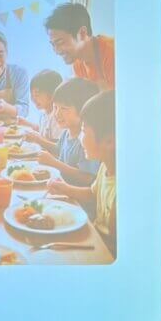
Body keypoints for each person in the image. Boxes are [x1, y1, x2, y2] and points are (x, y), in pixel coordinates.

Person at [48, 92, 117, 256]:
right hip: (93, 237)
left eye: (84, 131)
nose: (81, 138)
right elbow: (93, 193)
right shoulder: (105, 166)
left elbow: (112, 246)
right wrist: (65, 189)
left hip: (101, 250)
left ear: (109, 141)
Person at [26, 78, 100, 187]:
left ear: (83, 111)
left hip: (73, 195)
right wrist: (38, 140)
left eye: (64, 108)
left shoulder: (86, 140)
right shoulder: (66, 132)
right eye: (55, 107)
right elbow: (58, 149)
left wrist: (54, 163)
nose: (57, 114)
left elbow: (86, 178)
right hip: (60, 186)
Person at [45, 2, 115, 92]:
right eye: (53, 44)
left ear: (82, 33)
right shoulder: (77, 64)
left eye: (60, 42)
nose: (56, 51)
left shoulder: (113, 52)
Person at [17, 69, 63, 141]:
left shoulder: (58, 118)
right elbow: (44, 132)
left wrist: (37, 140)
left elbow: (57, 145)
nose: (33, 99)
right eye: (32, 95)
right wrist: (27, 124)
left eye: (37, 95)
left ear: (52, 95)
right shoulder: (44, 113)